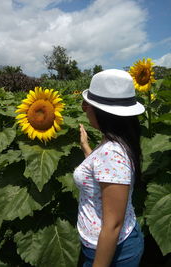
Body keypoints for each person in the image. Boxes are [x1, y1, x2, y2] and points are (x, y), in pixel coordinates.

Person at [73, 69, 145, 267]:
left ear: (102, 112)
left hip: (112, 253)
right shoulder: (116, 141)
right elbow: (104, 175)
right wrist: (87, 147)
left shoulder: (112, 153)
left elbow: (113, 224)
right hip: (110, 246)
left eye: (87, 105)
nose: (84, 109)